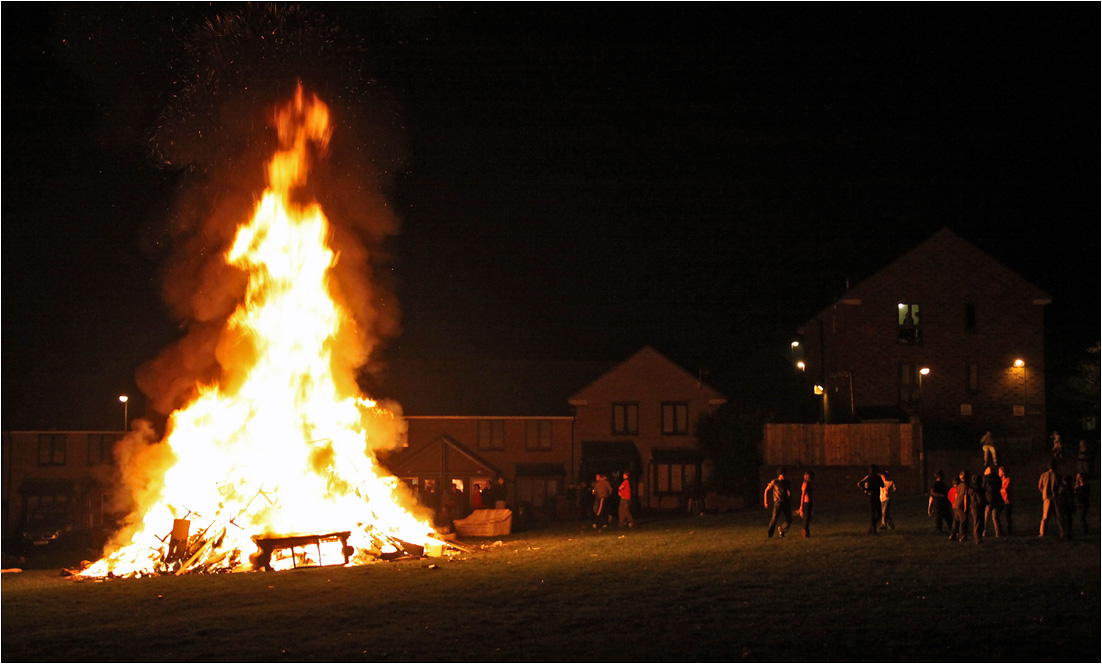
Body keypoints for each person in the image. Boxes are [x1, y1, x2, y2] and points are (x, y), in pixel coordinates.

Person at [763, 467, 792, 538]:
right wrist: (765, 501)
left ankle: (781, 529)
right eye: (783, 474)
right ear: (780, 475)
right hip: (778, 503)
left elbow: (788, 491)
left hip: (786, 502)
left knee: (789, 519)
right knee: (774, 519)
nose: (785, 476)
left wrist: (789, 496)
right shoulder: (775, 482)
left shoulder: (787, 482)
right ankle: (770, 535)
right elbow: (766, 490)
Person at [857, 464, 885, 535]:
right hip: (872, 497)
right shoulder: (870, 477)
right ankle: (873, 529)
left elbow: (882, 485)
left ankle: (872, 527)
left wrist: (866, 489)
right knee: (875, 514)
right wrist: (866, 490)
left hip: (874, 496)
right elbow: (859, 483)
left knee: (877, 514)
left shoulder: (875, 477)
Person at [1038, 458, 1058, 537]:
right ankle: (1062, 531)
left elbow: (1040, 486)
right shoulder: (1057, 475)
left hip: (1046, 498)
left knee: (1045, 516)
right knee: (1058, 516)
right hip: (1055, 497)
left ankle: (1042, 532)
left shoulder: (1043, 475)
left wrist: (1044, 492)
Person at [982, 466, 1004, 538]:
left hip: (989, 500)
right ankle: (998, 533)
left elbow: (983, 488)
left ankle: (984, 532)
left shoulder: (985, 479)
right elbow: (1000, 486)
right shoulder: (997, 478)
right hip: (997, 499)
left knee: (986, 517)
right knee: (995, 516)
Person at [948, 472, 969, 542]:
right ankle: (962, 536)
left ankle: (952, 535)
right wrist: (965, 507)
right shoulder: (966, 486)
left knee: (956, 521)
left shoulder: (959, 485)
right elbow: (965, 497)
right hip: (961, 505)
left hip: (956, 505)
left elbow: (956, 495)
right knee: (963, 520)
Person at [967, 474, 986, 544]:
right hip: (978, 507)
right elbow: (980, 500)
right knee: (979, 522)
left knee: (976, 522)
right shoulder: (978, 490)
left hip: (973, 506)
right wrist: (985, 502)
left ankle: (975, 537)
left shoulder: (971, 489)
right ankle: (978, 538)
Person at [1055, 474, 1074, 540]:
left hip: (1064, 507)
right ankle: (1067, 534)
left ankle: (1065, 534)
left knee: (1064, 521)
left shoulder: (1064, 489)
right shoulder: (1068, 489)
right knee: (1067, 521)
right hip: (1065, 507)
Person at [798, 470, 814, 538]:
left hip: (809, 502)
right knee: (806, 518)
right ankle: (804, 532)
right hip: (806, 502)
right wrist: (801, 506)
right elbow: (803, 495)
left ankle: (806, 531)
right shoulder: (805, 484)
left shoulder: (809, 484)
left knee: (808, 517)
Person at [998, 466, 1013, 535]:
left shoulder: (1008, 480)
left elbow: (1005, 489)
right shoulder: (1001, 480)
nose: (998, 473)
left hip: (1007, 500)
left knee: (1008, 516)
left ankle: (1009, 531)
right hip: (1002, 500)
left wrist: (1001, 490)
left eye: (999, 471)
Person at [1074, 472, 1090, 536]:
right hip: (1079, 503)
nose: (1081, 479)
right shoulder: (1078, 485)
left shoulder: (1086, 485)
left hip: (1084, 503)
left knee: (1082, 517)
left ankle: (1085, 531)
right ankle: (1084, 530)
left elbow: (1086, 494)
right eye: (1079, 478)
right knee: (1081, 517)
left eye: (1081, 477)